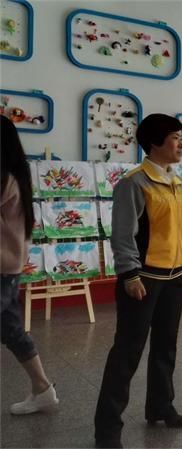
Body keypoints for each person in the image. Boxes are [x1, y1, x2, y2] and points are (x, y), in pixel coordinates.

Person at [95, 114, 182, 448]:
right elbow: (123, 234)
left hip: (174, 277)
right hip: (144, 279)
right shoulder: (134, 183)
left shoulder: (178, 182)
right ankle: (107, 428)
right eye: (175, 137)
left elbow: (181, 230)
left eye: (181, 137)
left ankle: (161, 406)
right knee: (127, 353)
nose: (181, 143)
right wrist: (129, 274)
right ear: (155, 142)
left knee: (166, 347)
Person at [1, 116, 59, 415]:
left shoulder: (3, 177)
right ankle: (42, 388)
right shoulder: (16, 175)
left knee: (11, 329)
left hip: (2, 268)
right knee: (11, 329)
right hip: (9, 267)